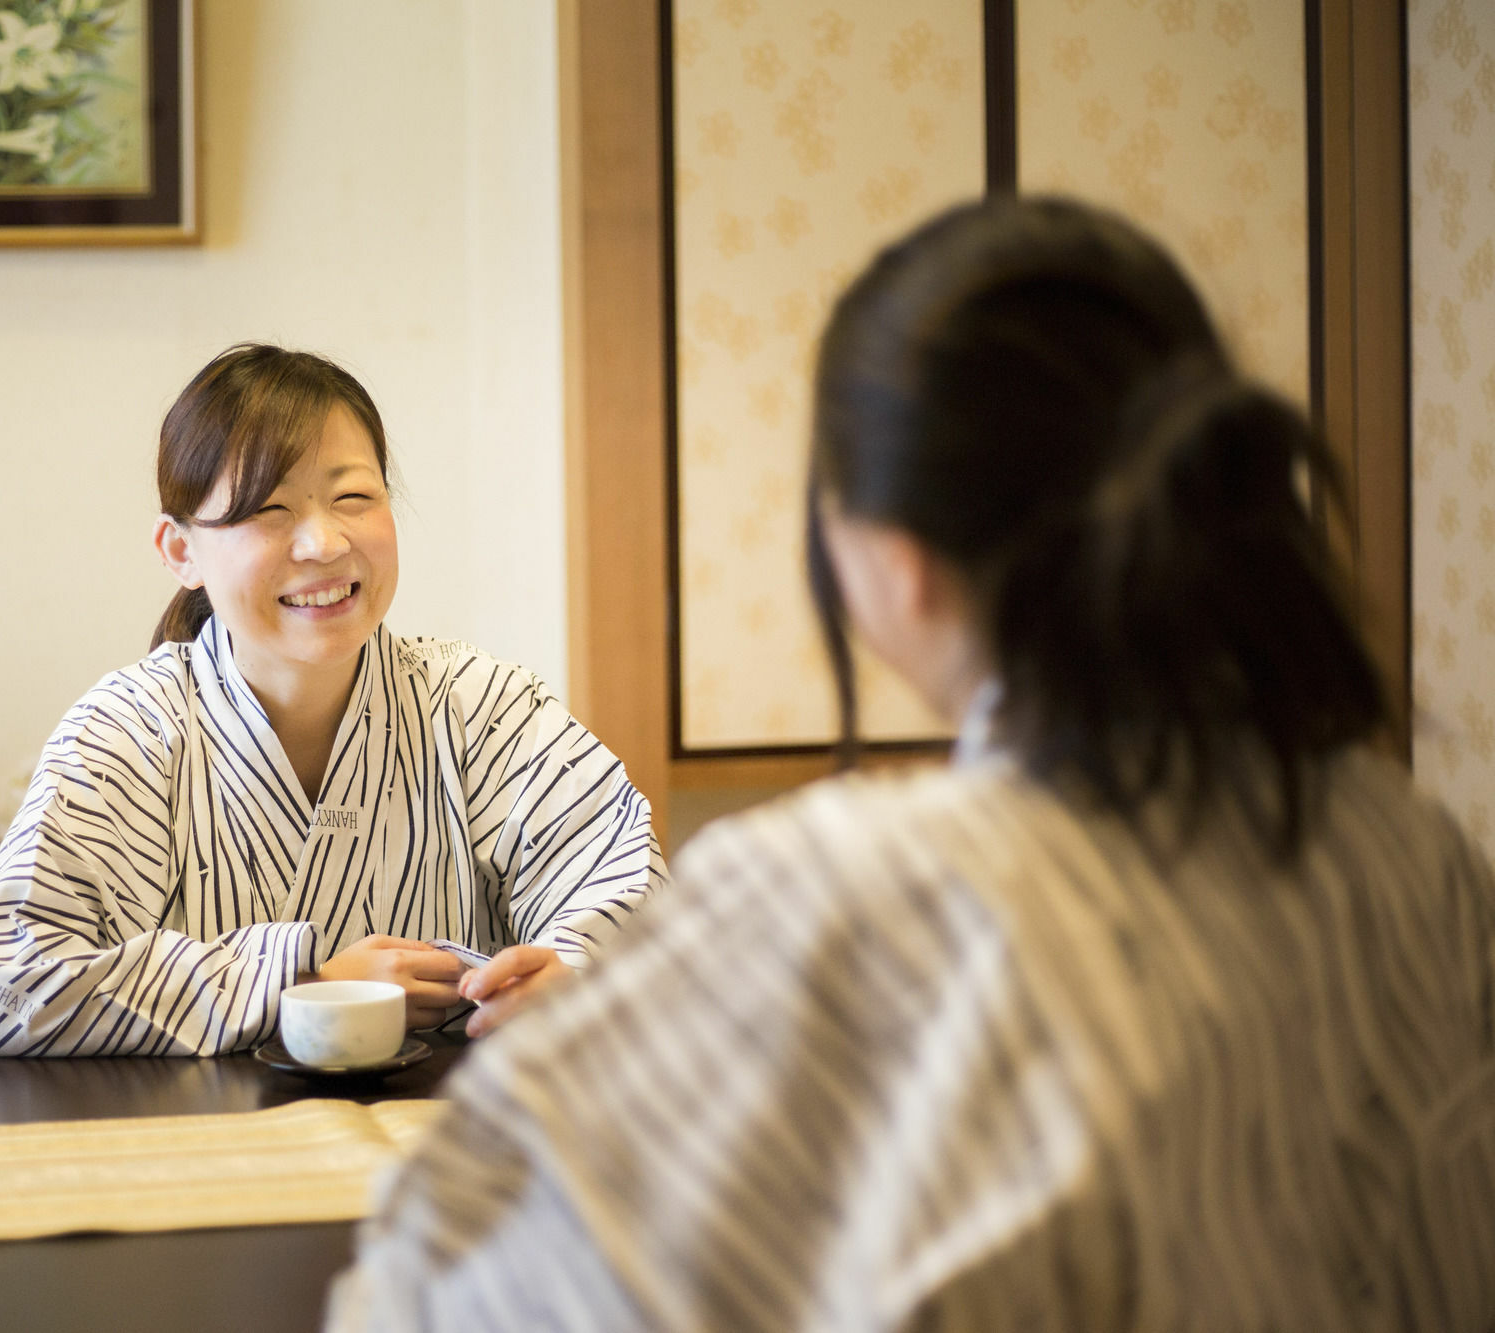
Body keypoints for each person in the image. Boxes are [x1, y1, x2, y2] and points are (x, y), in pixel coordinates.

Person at [328, 198, 1495, 1330]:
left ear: (892, 561)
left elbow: (443, 1288)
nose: (317, 545)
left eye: (349, 498)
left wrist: (593, 977)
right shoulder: (1412, 846)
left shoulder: (845, 893)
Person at [0, 345, 666, 1057]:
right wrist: (302, 981)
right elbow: (3, 994)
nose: (324, 542)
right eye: (268, 509)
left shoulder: (484, 708)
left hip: (447, 1145)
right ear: (179, 550)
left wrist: (573, 975)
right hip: (193, 1150)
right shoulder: (126, 733)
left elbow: (640, 908)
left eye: (354, 497)